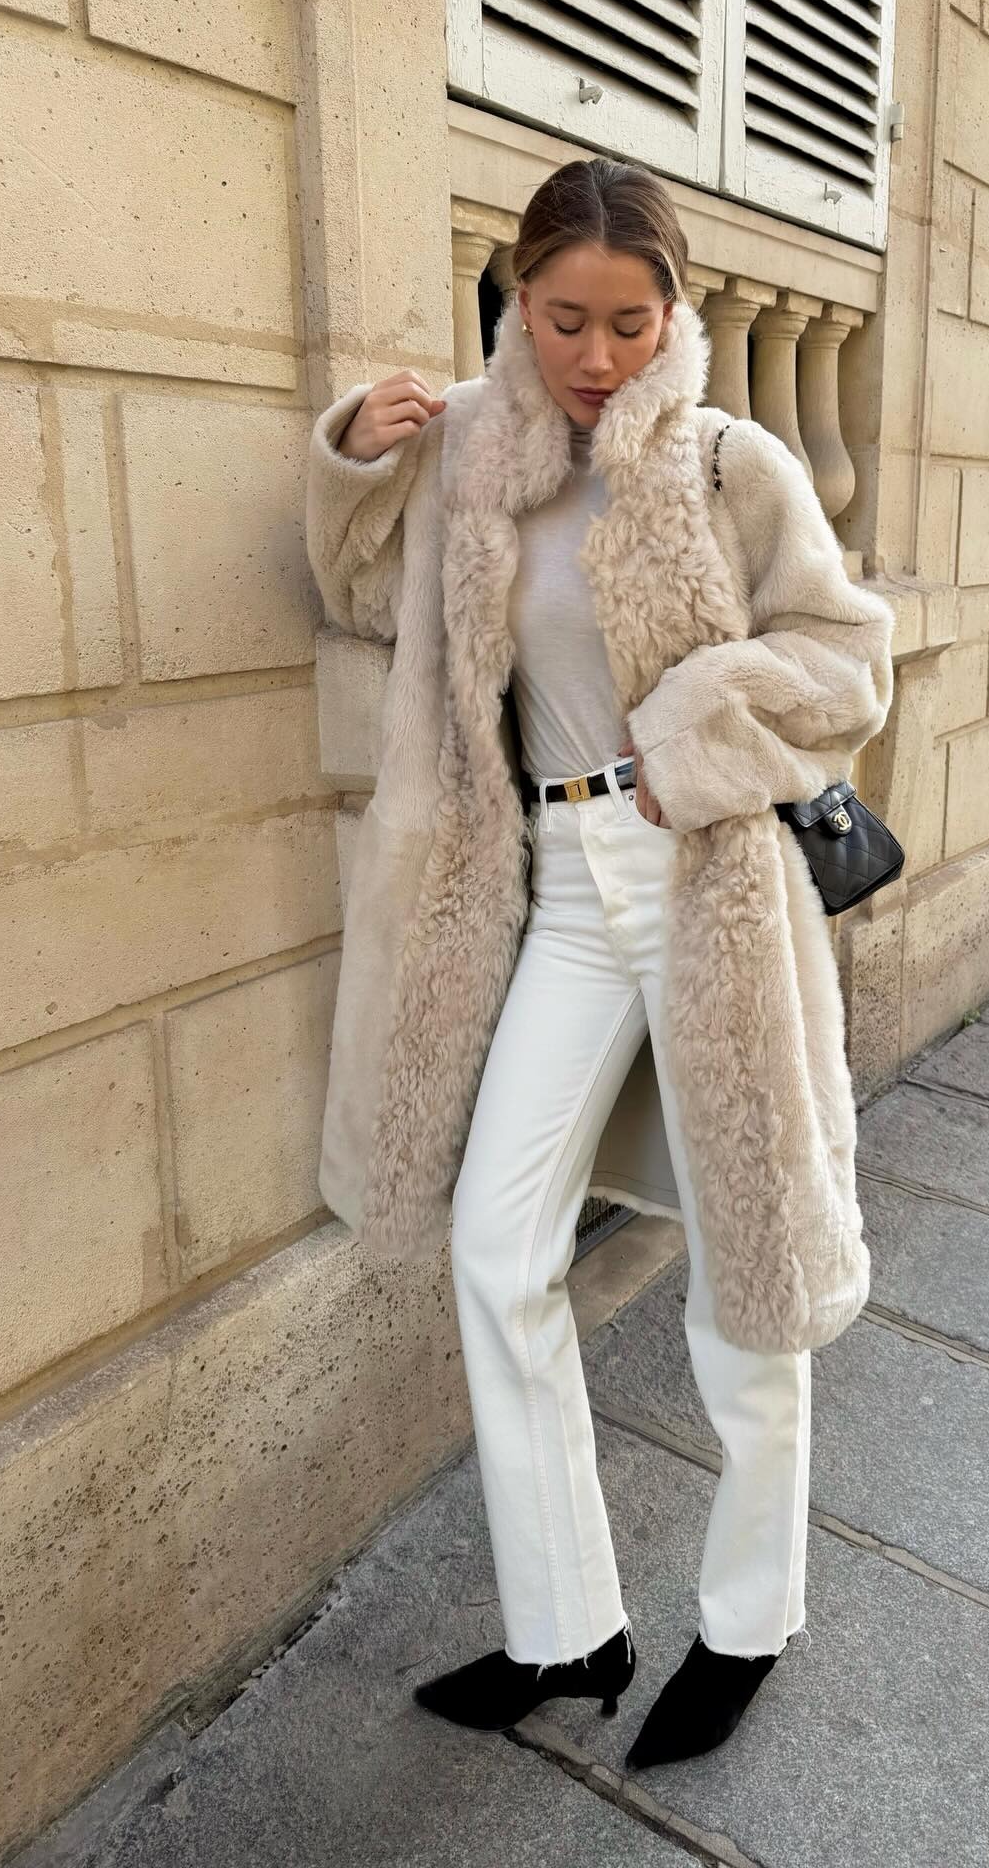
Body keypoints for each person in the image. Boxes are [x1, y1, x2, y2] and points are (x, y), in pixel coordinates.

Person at [304, 157, 895, 1769]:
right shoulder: (469, 456)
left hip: (709, 884)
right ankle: (567, 1627)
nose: (596, 353)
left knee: (747, 1278)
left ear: (673, 310)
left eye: (631, 321)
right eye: (565, 318)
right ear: (518, 296)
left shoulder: (726, 459)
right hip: (557, 892)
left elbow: (848, 658)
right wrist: (353, 458)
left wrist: (692, 734)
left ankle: (749, 1623)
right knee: (497, 1250)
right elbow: (361, 594)